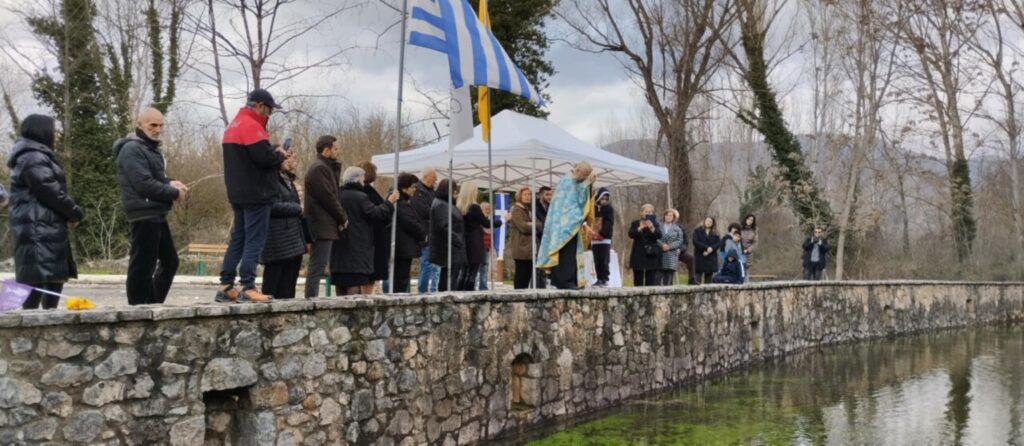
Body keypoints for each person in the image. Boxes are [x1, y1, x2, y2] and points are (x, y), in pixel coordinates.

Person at [216, 89, 290, 303]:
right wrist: (279, 154)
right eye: (269, 109)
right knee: (254, 240)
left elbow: (251, 156)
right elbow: (264, 159)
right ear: (259, 105)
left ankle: (226, 285)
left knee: (238, 238)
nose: (269, 114)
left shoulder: (234, 125)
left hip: (237, 192)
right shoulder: (252, 126)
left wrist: (271, 151)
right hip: (257, 193)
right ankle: (248, 286)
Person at [8, 114, 84, 310]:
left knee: (49, 278)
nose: (57, 135)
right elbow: (50, 191)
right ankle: (34, 325)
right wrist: (75, 212)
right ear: (41, 131)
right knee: (38, 281)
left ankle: (44, 321)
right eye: (54, 130)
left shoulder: (35, 155)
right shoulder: (33, 156)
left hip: (44, 226)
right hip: (38, 229)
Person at [113, 107, 187, 305]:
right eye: (153, 125)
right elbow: (143, 184)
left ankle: (152, 304)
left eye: (161, 125)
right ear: (139, 125)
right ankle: (138, 307)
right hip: (143, 213)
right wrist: (174, 193)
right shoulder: (132, 149)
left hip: (155, 212)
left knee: (170, 261)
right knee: (143, 265)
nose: (157, 129)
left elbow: (155, 178)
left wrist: (171, 182)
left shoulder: (149, 149)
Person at [331, 167, 398, 295]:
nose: (363, 182)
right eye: (362, 179)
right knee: (354, 281)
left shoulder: (336, 195)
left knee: (341, 281)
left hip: (338, 244)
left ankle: (340, 306)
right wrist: (389, 202)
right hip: (357, 245)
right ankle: (353, 307)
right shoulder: (361, 197)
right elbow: (376, 213)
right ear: (357, 180)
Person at [537, 162, 597, 290]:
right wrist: (583, 223)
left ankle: (570, 280)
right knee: (566, 254)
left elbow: (579, 199)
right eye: (584, 175)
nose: (585, 178)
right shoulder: (568, 182)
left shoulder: (573, 181)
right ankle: (565, 281)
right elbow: (572, 206)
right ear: (577, 171)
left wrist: (588, 184)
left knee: (571, 253)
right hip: (564, 226)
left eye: (587, 175)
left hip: (568, 225)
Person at [303, 135, 348, 298]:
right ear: (326, 150)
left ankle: (312, 299)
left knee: (319, 266)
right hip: (321, 224)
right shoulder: (319, 169)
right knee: (317, 266)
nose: (338, 152)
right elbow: (328, 197)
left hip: (325, 224)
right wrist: (342, 217)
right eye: (335, 149)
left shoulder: (325, 168)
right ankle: (311, 301)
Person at [259, 156, 307, 299]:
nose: (291, 160)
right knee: (273, 285)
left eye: (292, 157)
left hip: (292, 239)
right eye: (286, 157)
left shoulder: (287, 180)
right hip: (277, 241)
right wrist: (297, 208)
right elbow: (271, 206)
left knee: (288, 287)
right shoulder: (269, 179)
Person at [459, 181, 502, 291]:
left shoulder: (459, 206)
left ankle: (459, 292)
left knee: (463, 272)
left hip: (464, 240)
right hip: (475, 241)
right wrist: (501, 221)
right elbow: (486, 223)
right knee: (472, 272)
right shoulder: (474, 207)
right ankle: (469, 294)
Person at [357, 161, 391, 291]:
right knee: (369, 277)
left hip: (370, 238)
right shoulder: (367, 193)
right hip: (373, 239)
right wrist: (389, 203)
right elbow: (378, 213)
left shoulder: (364, 192)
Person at [429, 179, 467, 292]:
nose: (456, 193)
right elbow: (444, 226)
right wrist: (458, 240)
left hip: (452, 245)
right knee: (449, 277)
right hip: (449, 246)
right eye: (454, 190)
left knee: (450, 276)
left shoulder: (446, 203)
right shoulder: (441, 204)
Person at [393, 173, 427, 293]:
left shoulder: (405, 202)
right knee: (401, 279)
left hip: (404, 247)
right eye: (412, 187)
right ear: (404, 188)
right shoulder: (401, 204)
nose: (414, 189)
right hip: (403, 248)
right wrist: (423, 233)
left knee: (402, 278)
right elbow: (411, 223)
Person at [412, 168, 440, 293]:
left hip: (433, 232)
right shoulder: (418, 191)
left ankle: (433, 289)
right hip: (425, 232)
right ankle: (422, 291)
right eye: (433, 177)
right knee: (426, 263)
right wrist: (438, 213)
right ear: (426, 177)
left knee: (434, 264)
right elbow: (423, 211)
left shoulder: (432, 191)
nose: (435, 180)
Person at [510, 187, 542, 289]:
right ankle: (518, 296)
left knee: (527, 276)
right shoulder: (516, 210)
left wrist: (532, 224)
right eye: (525, 194)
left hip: (530, 249)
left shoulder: (528, 209)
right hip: (521, 248)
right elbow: (523, 227)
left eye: (529, 194)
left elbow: (539, 224)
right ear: (519, 196)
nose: (528, 197)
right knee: (521, 277)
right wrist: (533, 225)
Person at [628, 204, 664, 287]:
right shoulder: (635, 223)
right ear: (641, 213)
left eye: (650, 212)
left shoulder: (655, 223)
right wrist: (640, 228)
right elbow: (630, 234)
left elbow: (659, 235)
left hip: (651, 253)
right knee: (638, 280)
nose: (648, 213)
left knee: (650, 281)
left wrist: (651, 228)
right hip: (638, 253)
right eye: (646, 212)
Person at [591, 187, 614, 287]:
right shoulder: (592, 208)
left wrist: (602, 232)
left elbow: (609, 222)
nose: (604, 200)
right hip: (594, 238)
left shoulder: (609, 209)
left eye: (606, 199)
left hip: (605, 239)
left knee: (604, 260)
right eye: (602, 198)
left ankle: (605, 278)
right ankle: (599, 278)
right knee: (597, 260)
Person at [657, 208, 686, 286]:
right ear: (664, 216)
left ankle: (668, 292)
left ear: (673, 217)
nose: (668, 217)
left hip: (671, 254)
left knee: (668, 278)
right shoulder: (658, 226)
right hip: (660, 252)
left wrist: (670, 246)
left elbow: (680, 240)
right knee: (658, 277)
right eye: (667, 215)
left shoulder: (677, 229)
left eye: (670, 216)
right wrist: (662, 245)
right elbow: (655, 237)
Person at [692, 217, 720, 284]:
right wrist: (706, 248)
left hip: (711, 258)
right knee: (697, 280)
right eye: (707, 221)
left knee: (708, 281)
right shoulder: (697, 230)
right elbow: (695, 242)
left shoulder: (715, 233)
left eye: (710, 222)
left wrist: (711, 249)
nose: (708, 223)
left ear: (713, 223)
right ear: (704, 221)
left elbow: (718, 243)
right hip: (700, 256)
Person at [477, 201, 494, 291]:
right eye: (485, 209)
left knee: (485, 266)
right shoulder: (479, 220)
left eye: (488, 209)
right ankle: (476, 285)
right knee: (477, 266)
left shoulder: (490, 220)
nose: (487, 211)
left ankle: (483, 286)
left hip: (487, 246)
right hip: (479, 246)